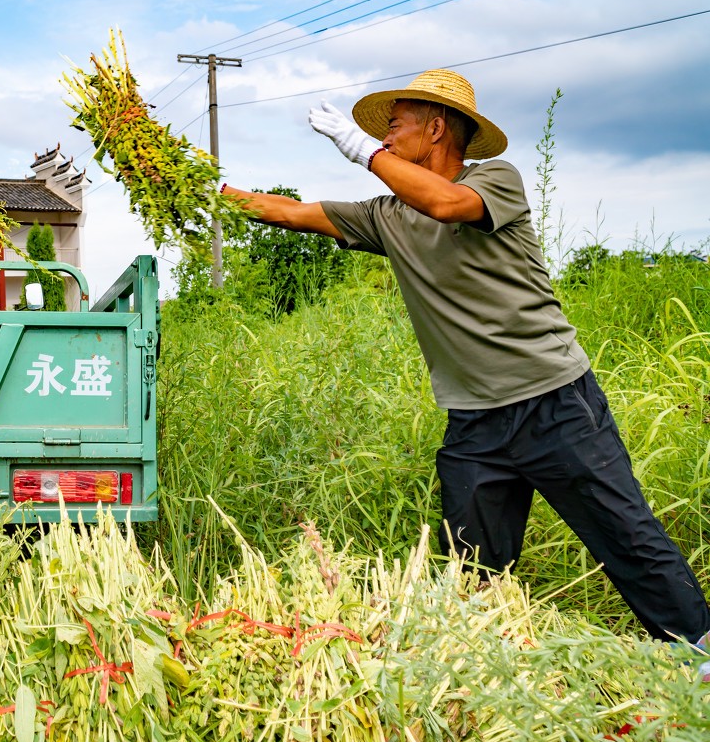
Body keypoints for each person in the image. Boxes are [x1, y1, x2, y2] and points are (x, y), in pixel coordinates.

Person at [223, 69, 710, 654]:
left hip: (553, 402)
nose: (383, 134)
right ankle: (483, 676)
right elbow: (284, 211)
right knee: (472, 570)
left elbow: (448, 203)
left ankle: (699, 653)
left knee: (626, 536)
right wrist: (197, 184)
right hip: (475, 422)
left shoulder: (494, 181)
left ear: (436, 128)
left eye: (394, 125)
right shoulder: (386, 216)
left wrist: (360, 151)